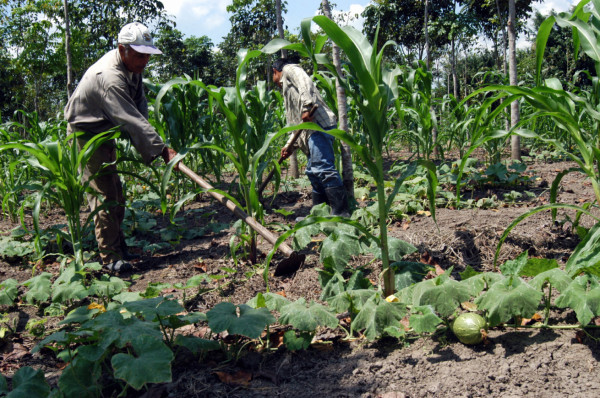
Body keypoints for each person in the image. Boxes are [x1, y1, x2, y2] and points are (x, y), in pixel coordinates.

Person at [64, 22, 178, 272]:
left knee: (117, 193)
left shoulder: (132, 67)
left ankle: (119, 247)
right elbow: (129, 117)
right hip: (85, 135)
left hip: (103, 131)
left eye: (147, 55)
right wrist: (162, 148)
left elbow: (140, 107)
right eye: (139, 55)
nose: (144, 60)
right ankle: (110, 259)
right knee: (104, 196)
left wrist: (156, 144)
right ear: (122, 49)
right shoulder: (109, 77)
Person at [272, 58, 350, 217]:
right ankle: (319, 214)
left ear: (275, 71)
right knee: (313, 173)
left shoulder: (289, 69)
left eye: (273, 77)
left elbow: (304, 81)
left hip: (319, 127)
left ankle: (341, 214)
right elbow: (297, 123)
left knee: (323, 168)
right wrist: (289, 146)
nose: (275, 83)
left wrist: (307, 106)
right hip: (309, 133)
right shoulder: (287, 89)